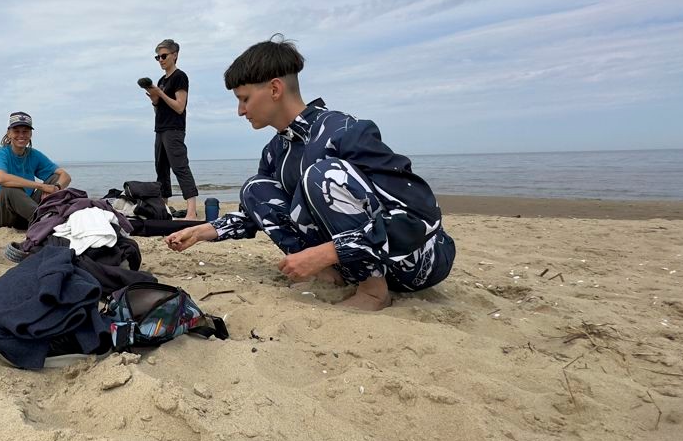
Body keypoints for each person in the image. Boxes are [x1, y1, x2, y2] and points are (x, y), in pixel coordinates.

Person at [165, 37, 455, 311]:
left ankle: (373, 292)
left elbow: (421, 216)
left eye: (244, 99)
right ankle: (329, 276)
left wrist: (326, 252)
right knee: (255, 188)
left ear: (275, 89)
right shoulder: (275, 150)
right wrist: (203, 231)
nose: (240, 111)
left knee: (323, 174)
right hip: (352, 259)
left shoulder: (344, 131)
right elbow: (261, 213)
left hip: (414, 263)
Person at [0, 111, 72, 230]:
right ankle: (48, 220)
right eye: (16, 131)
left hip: (23, 214)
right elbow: (1, 178)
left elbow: (65, 176)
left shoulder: (34, 155)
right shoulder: (1, 153)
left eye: (25, 131)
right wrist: (41, 187)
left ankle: (49, 216)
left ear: (30, 134)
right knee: (9, 189)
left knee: (55, 178)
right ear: (9, 133)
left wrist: (56, 188)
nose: (21, 135)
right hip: (0, 214)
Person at [144, 38, 199, 220]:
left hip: (174, 129)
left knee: (180, 167)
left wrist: (160, 94)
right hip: (160, 128)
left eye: (164, 56)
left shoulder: (179, 77)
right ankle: (164, 208)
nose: (160, 60)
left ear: (174, 55)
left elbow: (179, 107)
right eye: (157, 57)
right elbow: (158, 109)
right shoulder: (161, 80)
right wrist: (154, 99)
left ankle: (191, 211)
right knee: (161, 169)